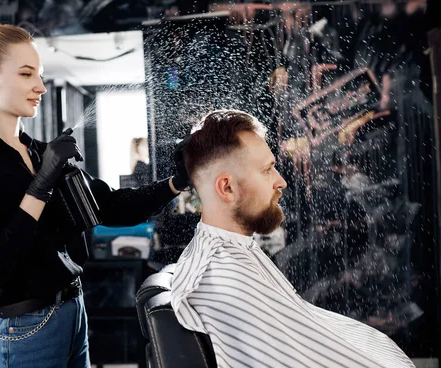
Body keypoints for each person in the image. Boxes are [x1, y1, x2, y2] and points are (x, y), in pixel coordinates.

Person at [0, 24, 189, 368]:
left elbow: (111, 206)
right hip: (21, 330)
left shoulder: (44, 155)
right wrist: (40, 185)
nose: (39, 86)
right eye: (26, 74)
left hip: (72, 314)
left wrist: (178, 181)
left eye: (39, 75)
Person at [170, 109, 414, 368]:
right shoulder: (227, 277)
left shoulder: (228, 254)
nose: (281, 181)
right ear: (227, 188)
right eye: (267, 170)